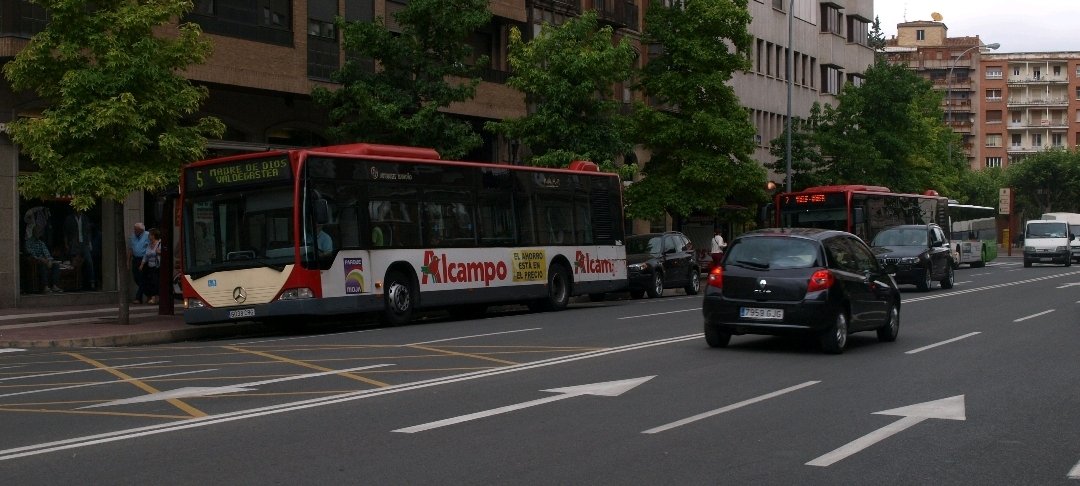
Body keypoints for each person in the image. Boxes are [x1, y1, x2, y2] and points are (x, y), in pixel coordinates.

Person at [63, 211, 95, 290]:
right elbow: (65, 232)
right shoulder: (69, 218)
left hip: (84, 243)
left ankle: (91, 281)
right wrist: (66, 244)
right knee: (75, 263)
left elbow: (88, 231)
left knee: (89, 262)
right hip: (74, 243)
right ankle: (75, 284)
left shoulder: (85, 218)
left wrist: (89, 242)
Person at [127, 222, 149, 304]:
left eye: (136, 229)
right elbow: (130, 250)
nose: (135, 231)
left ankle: (138, 298)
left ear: (141, 230)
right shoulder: (133, 237)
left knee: (142, 278)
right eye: (134, 229)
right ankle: (150, 294)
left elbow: (150, 247)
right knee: (136, 278)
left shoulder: (147, 235)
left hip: (144, 259)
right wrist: (128, 262)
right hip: (135, 259)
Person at [140, 228, 162, 305]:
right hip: (150, 266)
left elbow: (166, 252)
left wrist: (159, 252)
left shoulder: (160, 243)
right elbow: (146, 255)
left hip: (158, 266)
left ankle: (155, 298)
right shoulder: (149, 244)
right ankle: (152, 297)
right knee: (149, 282)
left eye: (150, 234)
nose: (148, 236)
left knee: (156, 282)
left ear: (153, 235)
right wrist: (142, 264)